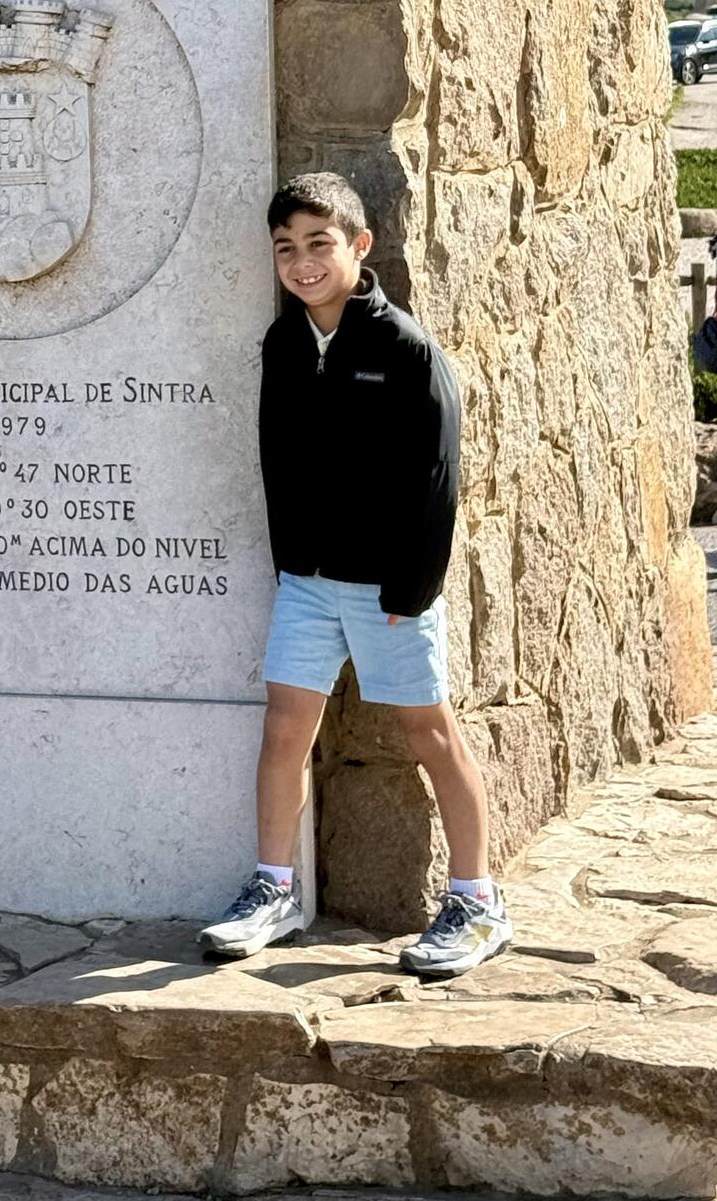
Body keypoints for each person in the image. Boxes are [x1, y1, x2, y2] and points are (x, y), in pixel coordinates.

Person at [197, 171, 510, 981]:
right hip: (308, 583)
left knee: (429, 734)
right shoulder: (283, 343)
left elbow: (438, 479)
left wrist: (411, 591)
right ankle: (274, 890)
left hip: (390, 591)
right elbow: (276, 460)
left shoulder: (407, 349)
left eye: (319, 243)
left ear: (359, 246)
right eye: (286, 248)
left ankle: (478, 902)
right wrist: (289, 564)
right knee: (284, 730)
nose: (302, 262)